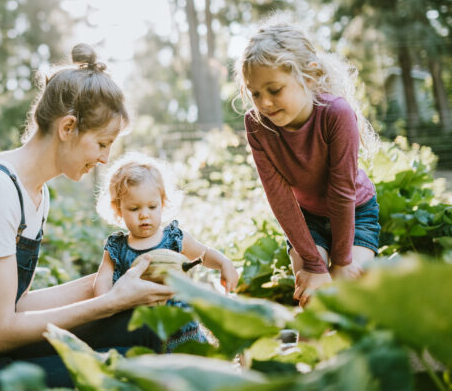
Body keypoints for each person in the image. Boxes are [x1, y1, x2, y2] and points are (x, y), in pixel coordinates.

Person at [0, 44, 175, 390]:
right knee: (125, 370)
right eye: (102, 143)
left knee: (145, 326)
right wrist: (109, 302)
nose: (105, 159)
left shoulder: (35, 193)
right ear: (68, 127)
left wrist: (110, 280)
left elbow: (16, 304)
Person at [234, 22, 381, 307]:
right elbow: (279, 198)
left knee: (347, 298)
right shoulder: (257, 125)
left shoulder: (336, 114)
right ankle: (310, 352)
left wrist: (340, 262)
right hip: (306, 220)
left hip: (355, 212)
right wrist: (314, 265)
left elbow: (341, 193)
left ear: (310, 76)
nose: (264, 103)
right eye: (255, 94)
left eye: (274, 90)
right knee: (314, 301)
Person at [93, 153, 239, 350]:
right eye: (134, 209)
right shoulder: (117, 247)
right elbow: (102, 279)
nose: (144, 214)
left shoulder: (173, 238)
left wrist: (223, 263)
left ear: (163, 202)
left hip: (182, 328)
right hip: (141, 330)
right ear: (118, 209)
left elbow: (203, 253)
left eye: (152, 206)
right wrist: (106, 305)